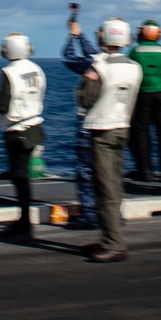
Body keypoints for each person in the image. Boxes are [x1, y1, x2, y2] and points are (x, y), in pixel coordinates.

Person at [77, 17, 142, 263]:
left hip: (101, 129)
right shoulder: (134, 67)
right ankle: (108, 237)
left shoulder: (99, 67)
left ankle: (113, 243)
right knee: (114, 184)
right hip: (122, 127)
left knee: (105, 188)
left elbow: (85, 99)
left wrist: (85, 84)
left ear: (102, 37)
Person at [0, 33, 46, 239]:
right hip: (35, 126)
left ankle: (25, 221)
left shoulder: (8, 73)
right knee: (20, 174)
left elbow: (3, 106)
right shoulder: (36, 69)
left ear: (5, 50)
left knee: (20, 177)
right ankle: (24, 219)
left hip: (17, 131)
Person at [61, 17, 101, 228]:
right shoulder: (128, 65)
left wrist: (73, 35)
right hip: (117, 124)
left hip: (90, 122)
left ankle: (90, 215)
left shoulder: (94, 65)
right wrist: (80, 35)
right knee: (110, 172)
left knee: (86, 171)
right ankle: (114, 214)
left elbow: (68, 57)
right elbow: (93, 52)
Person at [127, 20, 161, 182]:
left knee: (141, 132)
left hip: (142, 95)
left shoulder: (136, 51)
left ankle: (145, 170)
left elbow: (129, 72)